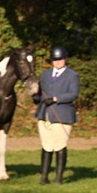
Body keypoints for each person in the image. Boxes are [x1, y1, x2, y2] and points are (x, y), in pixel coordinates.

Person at [34, 45, 79, 185]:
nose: (57, 61)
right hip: (44, 114)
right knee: (46, 145)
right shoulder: (45, 74)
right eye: (55, 59)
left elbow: (73, 93)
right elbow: (40, 92)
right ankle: (44, 176)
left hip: (62, 114)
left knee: (59, 145)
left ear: (65, 59)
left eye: (60, 59)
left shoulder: (72, 75)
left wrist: (55, 99)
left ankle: (59, 177)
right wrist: (36, 97)